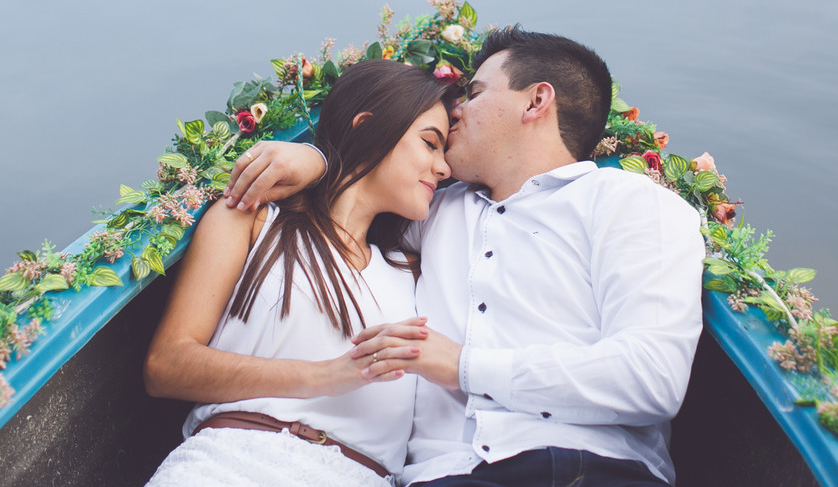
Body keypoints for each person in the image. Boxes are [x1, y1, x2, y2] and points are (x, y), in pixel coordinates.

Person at [226, 28, 706, 487]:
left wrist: (463, 366)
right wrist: (319, 160)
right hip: (445, 475)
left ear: (536, 101)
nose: (456, 109)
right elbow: (362, 189)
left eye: (474, 93)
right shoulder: (430, 211)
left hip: (589, 467)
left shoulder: (634, 204)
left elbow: (652, 379)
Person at [143, 59, 456, 487]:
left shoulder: (414, 274)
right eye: (430, 143)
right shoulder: (252, 221)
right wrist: (325, 376)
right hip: (229, 464)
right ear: (366, 127)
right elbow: (167, 366)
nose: (444, 168)